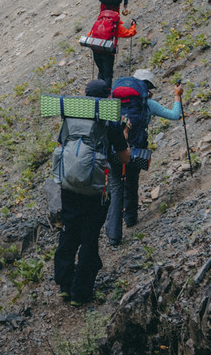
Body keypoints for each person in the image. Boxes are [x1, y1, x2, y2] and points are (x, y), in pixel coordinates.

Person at [54, 79, 131, 306]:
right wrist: (123, 136)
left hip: (68, 186)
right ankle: (81, 293)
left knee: (69, 234)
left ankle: (64, 285)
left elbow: (61, 145)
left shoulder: (70, 116)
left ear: (85, 94)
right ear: (107, 97)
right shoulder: (110, 120)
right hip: (96, 191)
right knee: (89, 239)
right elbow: (124, 157)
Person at [105, 69, 183, 246]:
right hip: (135, 153)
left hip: (114, 151)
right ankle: (130, 219)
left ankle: (113, 234)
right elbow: (174, 115)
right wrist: (177, 96)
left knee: (115, 187)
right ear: (146, 86)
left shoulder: (113, 103)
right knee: (131, 183)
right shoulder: (147, 105)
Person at [91, 13, 136, 87]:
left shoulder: (99, 22)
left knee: (101, 71)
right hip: (108, 52)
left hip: (96, 50)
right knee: (108, 75)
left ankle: (98, 92)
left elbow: (90, 34)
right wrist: (133, 25)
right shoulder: (115, 25)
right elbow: (129, 33)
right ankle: (106, 94)